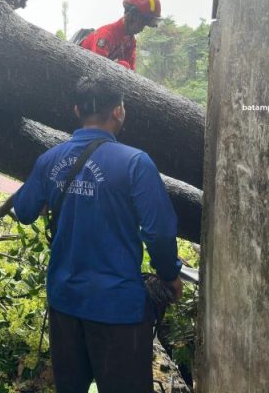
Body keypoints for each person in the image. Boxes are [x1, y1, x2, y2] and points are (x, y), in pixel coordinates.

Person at [13, 76, 182, 393]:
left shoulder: (50, 160)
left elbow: (22, 210)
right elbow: (158, 232)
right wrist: (170, 275)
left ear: (77, 111)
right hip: (118, 308)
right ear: (119, 111)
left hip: (65, 303)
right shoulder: (135, 163)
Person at [80, 0, 162, 70]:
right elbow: (96, 68)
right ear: (132, 17)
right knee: (123, 65)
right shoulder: (106, 35)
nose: (142, 29)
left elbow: (131, 72)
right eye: (142, 24)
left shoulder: (130, 41)